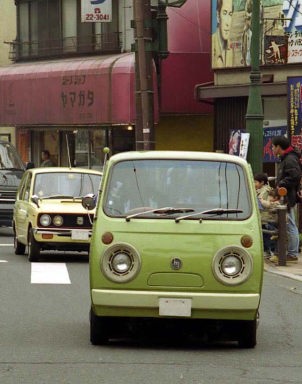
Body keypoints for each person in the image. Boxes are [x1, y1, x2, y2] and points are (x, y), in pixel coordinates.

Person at [269, 136, 302, 264]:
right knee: (288, 224)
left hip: (288, 196)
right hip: (287, 195)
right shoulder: (286, 158)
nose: (272, 149)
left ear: (278, 147)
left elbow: (295, 176)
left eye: (273, 146)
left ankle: (292, 253)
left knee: (290, 225)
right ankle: (288, 252)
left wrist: (281, 182)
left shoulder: (289, 159)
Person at [254, 173, 279, 258]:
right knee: (264, 235)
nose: (254, 184)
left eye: (256, 182)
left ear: (262, 182)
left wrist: (261, 201)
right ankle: (266, 251)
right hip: (262, 217)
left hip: (265, 217)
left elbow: (269, 204)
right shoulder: (259, 190)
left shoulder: (266, 191)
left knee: (266, 236)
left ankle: (267, 251)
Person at [212, 0, 234, 68]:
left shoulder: (231, 48)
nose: (227, 23)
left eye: (230, 14)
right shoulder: (210, 45)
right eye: (224, 13)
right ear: (218, 16)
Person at [241, 0, 252, 66]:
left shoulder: (250, 33)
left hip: (249, 59)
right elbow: (243, 46)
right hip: (246, 57)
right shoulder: (245, 32)